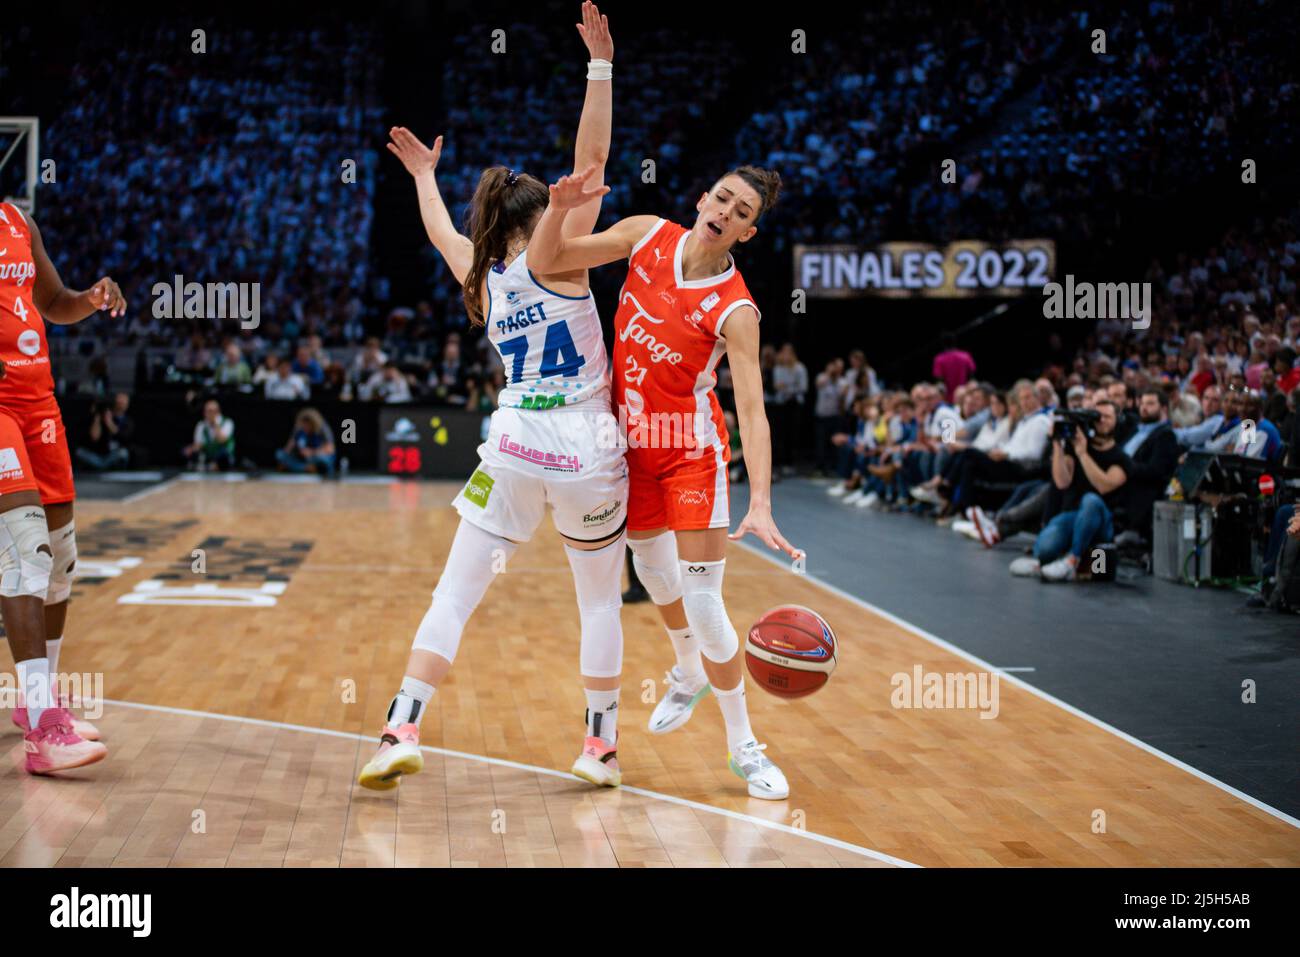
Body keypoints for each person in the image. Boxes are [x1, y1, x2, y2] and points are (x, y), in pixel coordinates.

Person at [359, 1, 630, 791]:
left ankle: (400, 725)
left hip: (512, 442)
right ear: (538, 218)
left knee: (456, 592)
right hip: (583, 444)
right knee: (599, 604)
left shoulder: (484, 278)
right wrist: (601, 64)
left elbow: (444, 232)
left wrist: (421, 177)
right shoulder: (558, 251)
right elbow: (594, 150)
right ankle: (599, 748)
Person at [530, 158, 803, 799]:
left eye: (743, 214)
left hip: (690, 451)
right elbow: (548, 259)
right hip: (629, 447)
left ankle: (744, 747)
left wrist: (760, 500)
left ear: (747, 234)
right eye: (724, 199)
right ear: (703, 196)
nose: (726, 214)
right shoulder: (645, 234)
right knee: (654, 578)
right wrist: (556, 208)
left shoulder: (736, 310)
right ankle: (687, 673)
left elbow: (755, 412)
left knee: (705, 604)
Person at [0, 199, 121, 773]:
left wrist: (89, 300)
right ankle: (44, 729)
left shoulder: (19, 221)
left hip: (37, 400)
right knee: (25, 552)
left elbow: (52, 302)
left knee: (61, 555)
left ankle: (37, 699)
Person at [1010, 399, 1129, 582]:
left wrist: (1083, 454)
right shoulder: (1076, 447)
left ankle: (1073, 559)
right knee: (1044, 549)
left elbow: (1103, 486)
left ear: (1117, 421)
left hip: (1102, 522)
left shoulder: (1121, 458)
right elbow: (1062, 482)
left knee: (1091, 500)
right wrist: (1058, 445)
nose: (1102, 421)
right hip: (1073, 517)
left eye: (1107, 417)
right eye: (1098, 416)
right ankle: (1046, 562)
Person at [75, 393, 133, 471]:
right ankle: (101, 466)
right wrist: (97, 418)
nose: (120, 405)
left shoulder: (127, 421)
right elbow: (94, 437)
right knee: (80, 452)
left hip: (112, 455)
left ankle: (103, 467)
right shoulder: (99, 417)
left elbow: (124, 438)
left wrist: (109, 422)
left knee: (123, 453)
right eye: (119, 402)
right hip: (97, 455)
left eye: (123, 403)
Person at [276, 407, 337, 477]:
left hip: (316, 457)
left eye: (308, 425)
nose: (305, 427)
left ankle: (301, 468)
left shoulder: (323, 428)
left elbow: (330, 449)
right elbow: (290, 446)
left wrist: (312, 452)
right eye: (304, 424)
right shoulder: (299, 428)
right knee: (280, 454)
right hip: (302, 459)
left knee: (324, 459)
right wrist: (284, 459)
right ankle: (306, 468)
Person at [183, 398, 236, 470]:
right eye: (207, 411)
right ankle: (204, 466)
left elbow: (222, 440)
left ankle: (214, 466)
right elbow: (198, 443)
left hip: (222, 455)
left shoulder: (227, 422)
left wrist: (214, 424)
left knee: (223, 454)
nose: (209, 414)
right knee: (186, 451)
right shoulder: (201, 425)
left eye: (211, 411)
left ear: (217, 411)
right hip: (208, 454)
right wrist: (192, 449)